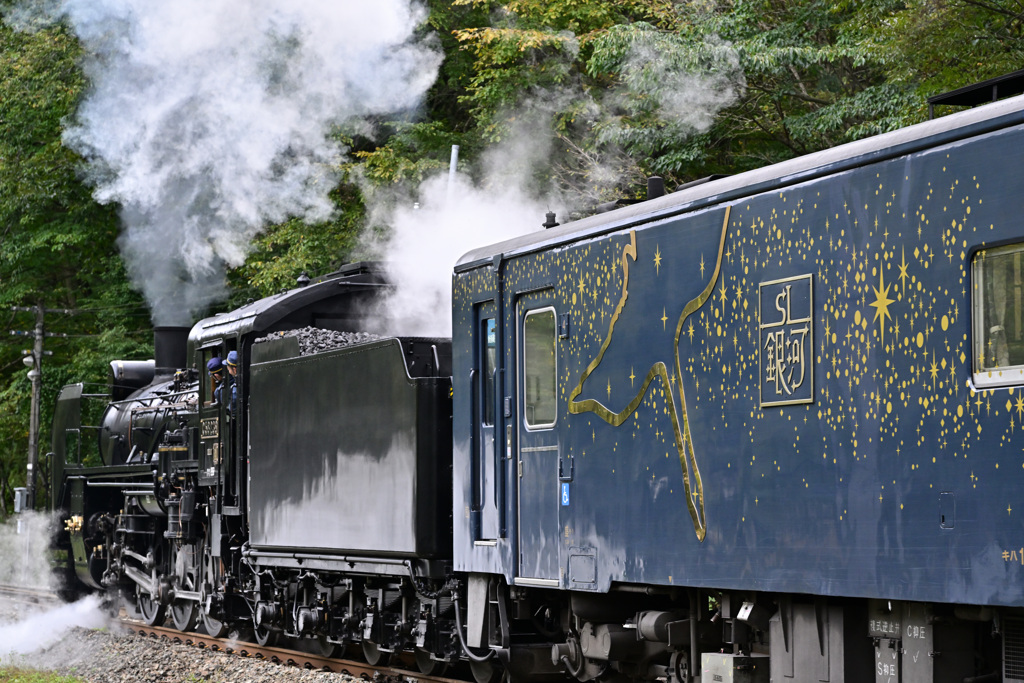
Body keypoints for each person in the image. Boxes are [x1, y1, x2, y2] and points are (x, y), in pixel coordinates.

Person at [224, 350, 239, 416]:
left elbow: (233, 408)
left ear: (235, 370)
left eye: (229, 369)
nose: (229, 372)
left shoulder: (235, 390)